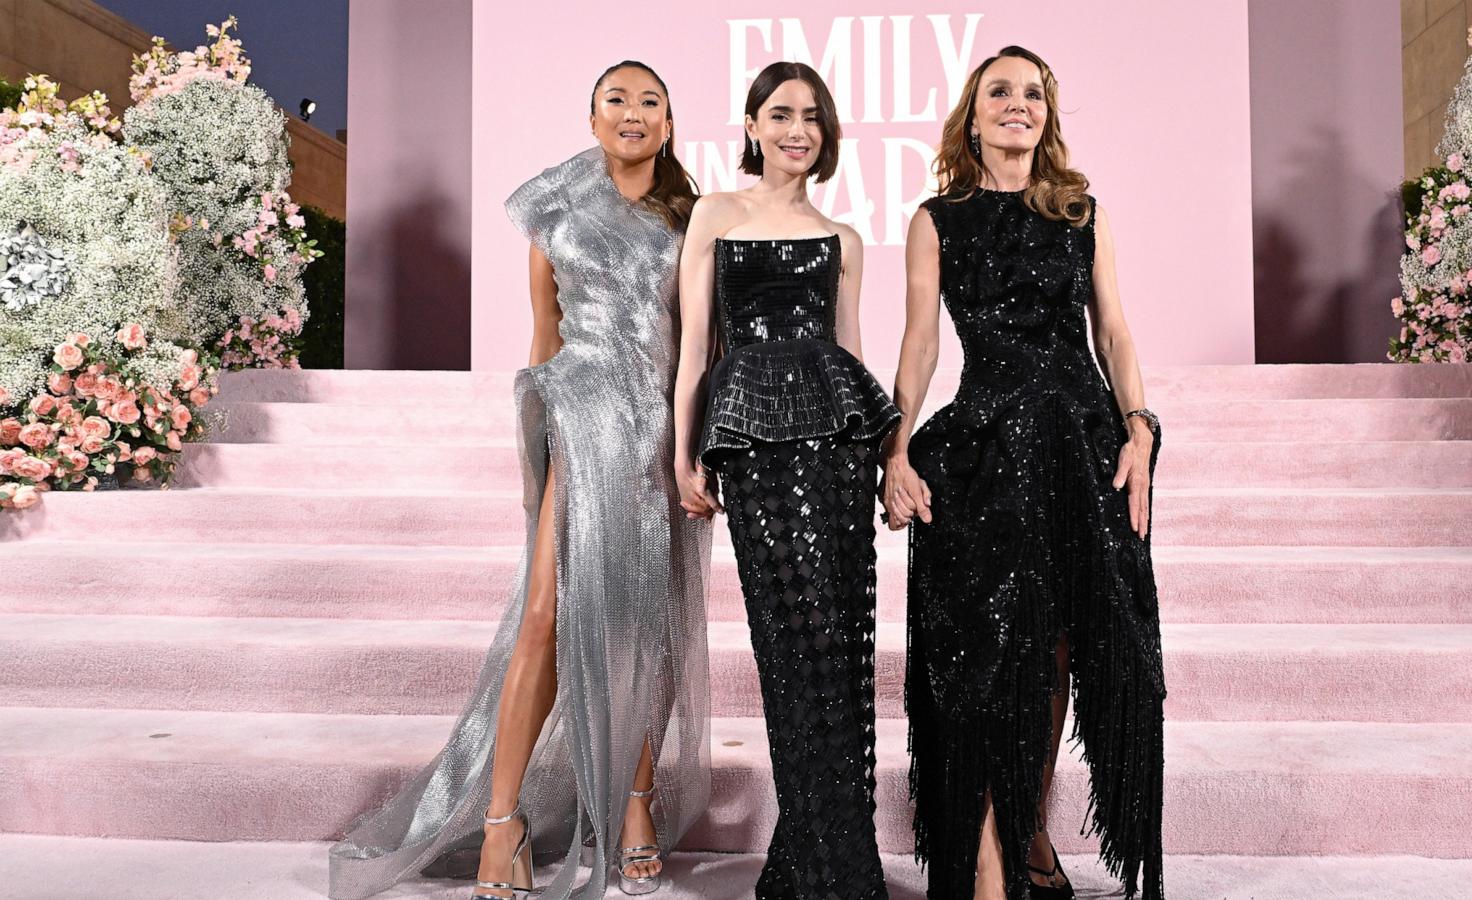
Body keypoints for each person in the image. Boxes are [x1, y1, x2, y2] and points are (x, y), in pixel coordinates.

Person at [327, 60, 711, 900]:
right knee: (542, 614)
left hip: (657, 436)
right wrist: (538, 461)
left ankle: (636, 802)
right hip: (580, 420)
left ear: (671, 122)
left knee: (648, 622)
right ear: (592, 117)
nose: (634, 112)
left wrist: (691, 446)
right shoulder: (555, 212)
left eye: (651, 101)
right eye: (618, 99)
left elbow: (697, 345)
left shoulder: (692, 216)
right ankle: (504, 818)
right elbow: (545, 338)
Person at [881, 45, 1167, 900]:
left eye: (1033, 94)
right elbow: (923, 343)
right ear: (973, 115)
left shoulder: (1083, 212)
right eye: (1000, 92)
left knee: (1067, 646)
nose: (1018, 105)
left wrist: (1141, 429)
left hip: (1083, 445)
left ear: (1048, 114)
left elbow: (1112, 331)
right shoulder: (937, 219)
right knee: (998, 653)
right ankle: (992, 859)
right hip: (989, 448)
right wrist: (895, 450)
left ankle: (1029, 830)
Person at [672, 60, 900, 900]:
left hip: (836, 452)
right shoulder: (714, 213)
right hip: (754, 446)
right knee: (789, 644)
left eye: (811, 116)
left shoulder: (842, 236)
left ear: (826, 132)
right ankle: (828, 860)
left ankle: (825, 864)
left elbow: (852, 354)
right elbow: (698, 346)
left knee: (838, 651)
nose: (797, 129)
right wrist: (683, 452)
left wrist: (885, 461)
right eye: (781, 113)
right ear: (753, 124)